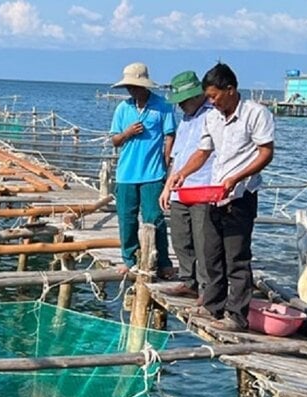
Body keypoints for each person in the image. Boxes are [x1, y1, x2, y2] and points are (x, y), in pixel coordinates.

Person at [166, 63, 274, 332]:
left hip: (240, 194)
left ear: (230, 89)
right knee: (211, 252)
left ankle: (236, 316)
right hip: (214, 194)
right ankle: (213, 305)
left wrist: (236, 178)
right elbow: (202, 152)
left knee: (236, 256)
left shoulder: (255, 114)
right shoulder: (212, 118)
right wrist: (181, 174)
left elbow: (265, 153)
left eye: (214, 96)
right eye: (208, 97)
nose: (211, 102)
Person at [109, 62, 176, 278]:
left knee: (154, 218)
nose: (132, 90)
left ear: (145, 86)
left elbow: (170, 137)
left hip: (153, 173)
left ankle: (162, 260)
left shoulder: (162, 106)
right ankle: (130, 259)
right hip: (126, 174)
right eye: (129, 87)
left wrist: (167, 164)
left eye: (135, 86)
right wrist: (127, 133)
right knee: (126, 218)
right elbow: (115, 140)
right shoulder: (123, 109)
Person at [159, 71, 214, 301]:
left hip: (203, 184)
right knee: (181, 237)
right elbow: (177, 155)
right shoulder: (186, 119)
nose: (181, 106)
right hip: (179, 186)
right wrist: (167, 186)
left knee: (204, 240)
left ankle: (206, 288)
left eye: (183, 101)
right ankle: (188, 280)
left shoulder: (212, 115)